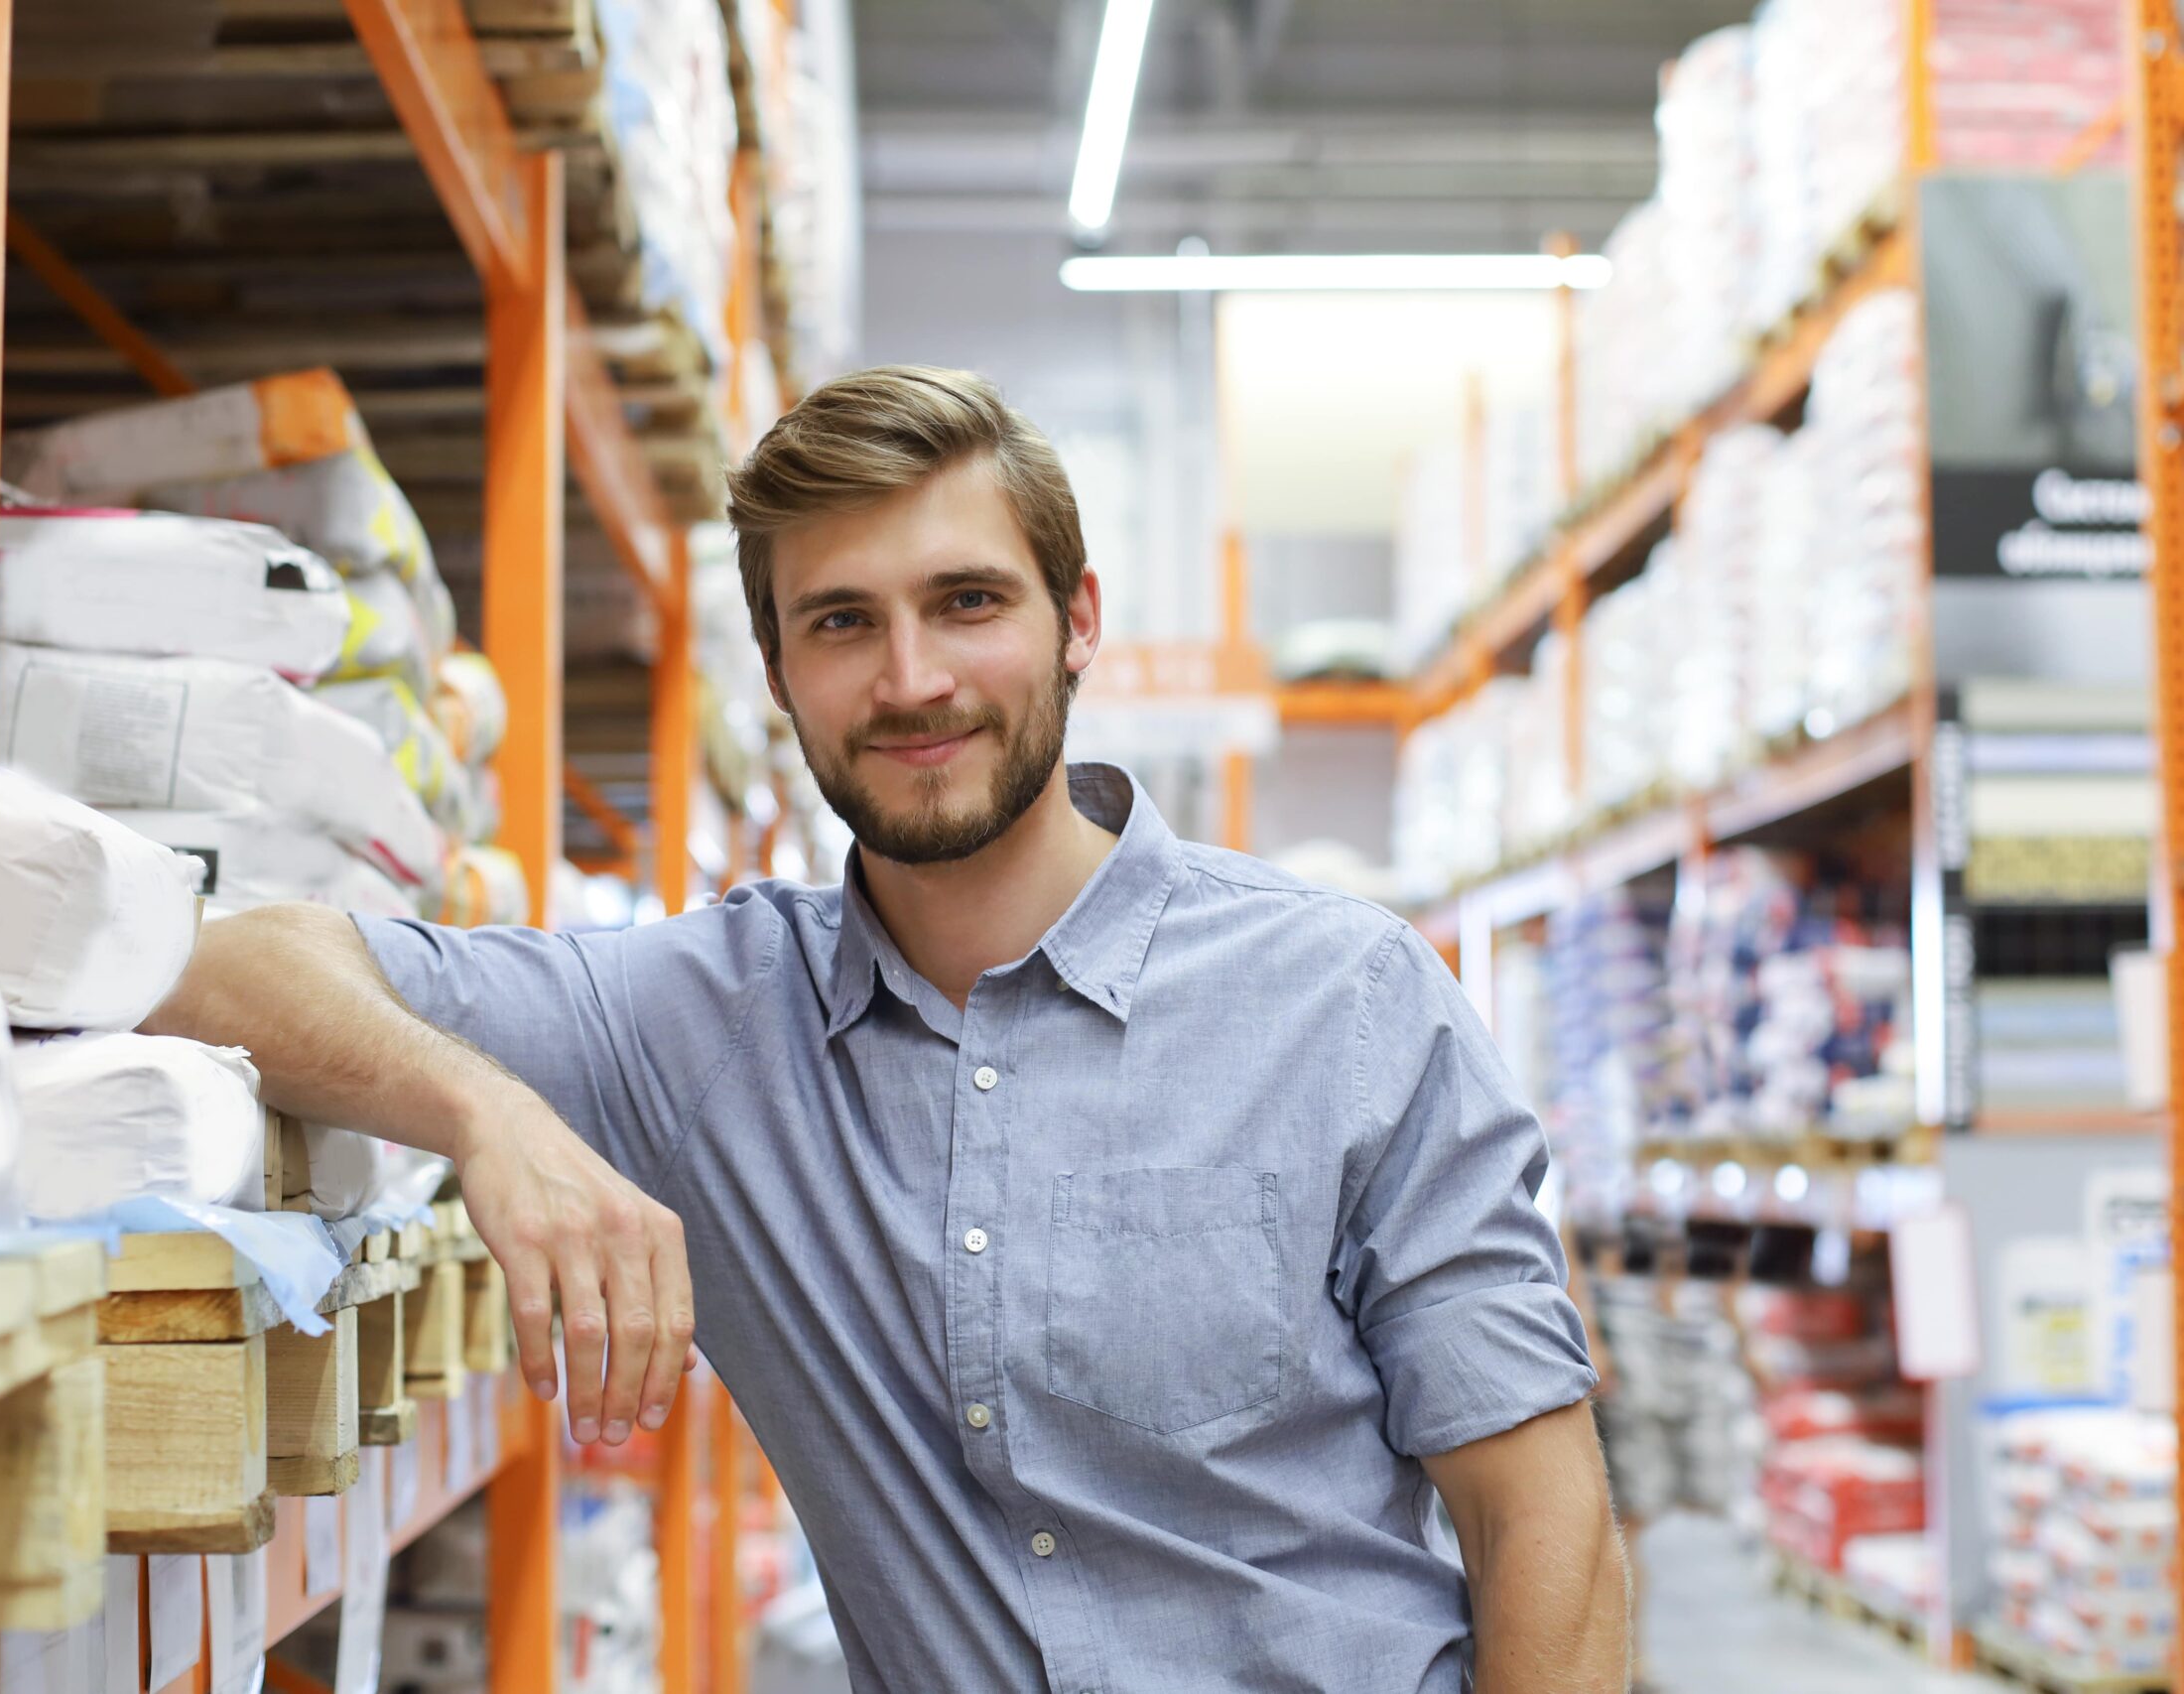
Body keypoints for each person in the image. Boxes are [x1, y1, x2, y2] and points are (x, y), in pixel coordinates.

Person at [147, 366, 1630, 1692]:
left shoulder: (1346, 1002)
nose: (913, 679)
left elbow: (1542, 1519)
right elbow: (217, 964)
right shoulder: (703, 1024)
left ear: (1078, 622)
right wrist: (488, 1111)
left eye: (968, 602)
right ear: (782, 672)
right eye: (843, 623)